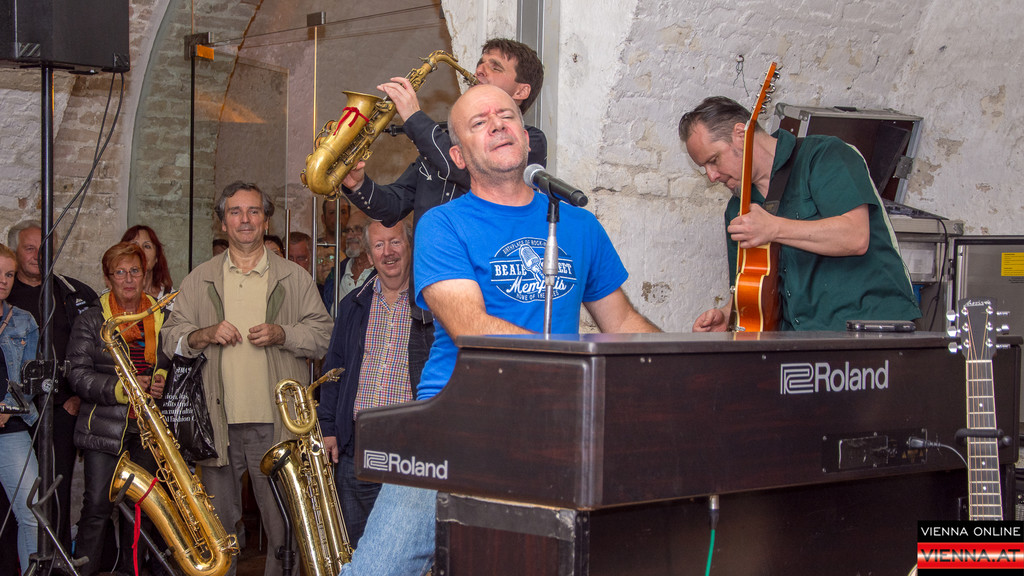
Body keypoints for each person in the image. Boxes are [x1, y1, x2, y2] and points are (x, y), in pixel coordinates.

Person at [339, 84, 659, 576]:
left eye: (506, 115)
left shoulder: (577, 224)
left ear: (526, 138)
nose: (497, 125)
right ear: (458, 156)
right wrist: (579, 370)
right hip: (452, 424)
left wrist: (679, 362)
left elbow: (622, 322)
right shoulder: (442, 224)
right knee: (379, 568)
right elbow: (472, 327)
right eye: (478, 122)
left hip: (553, 421)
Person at [339, 38, 548, 389]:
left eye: (495, 67)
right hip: (425, 323)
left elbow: (465, 169)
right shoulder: (437, 146)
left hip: (486, 324)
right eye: (481, 63)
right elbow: (391, 207)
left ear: (521, 91)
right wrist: (358, 185)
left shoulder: (529, 142)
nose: (480, 70)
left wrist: (414, 118)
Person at [160, 181, 333, 576]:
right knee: (218, 534)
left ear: (266, 221)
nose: (245, 219)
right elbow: (171, 338)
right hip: (215, 426)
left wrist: (283, 334)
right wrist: (202, 334)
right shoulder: (200, 278)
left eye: (254, 211)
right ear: (223, 223)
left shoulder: (294, 277)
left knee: (286, 531)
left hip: (276, 426)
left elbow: (323, 335)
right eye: (235, 212)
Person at [680, 96, 921, 332]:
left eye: (714, 160)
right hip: (800, 341)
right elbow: (749, 286)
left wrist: (774, 228)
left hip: (870, 330)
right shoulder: (738, 208)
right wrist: (727, 315)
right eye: (704, 168)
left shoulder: (824, 155)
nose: (712, 176)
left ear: (741, 134)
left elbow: (855, 236)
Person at [67, 242, 169, 576]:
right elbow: (77, 374)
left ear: (144, 274)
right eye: (120, 272)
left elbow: (170, 357)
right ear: (108, 278)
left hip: (148, 429)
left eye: (134, 271)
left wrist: (161, 377)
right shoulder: (90, 319)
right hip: (103, 427)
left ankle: (133, 571)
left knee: (141, 511)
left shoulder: (161, 314)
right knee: (97, 505)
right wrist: (122, 389)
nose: (128, 279)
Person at [319, 218, 413, 545]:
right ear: (370, 256)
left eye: (395, 242)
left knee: (403, 548)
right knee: (356, 546)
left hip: (409, 448)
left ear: (409, 246)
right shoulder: (353, 304)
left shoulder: (430, 303)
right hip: (357, 447)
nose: (388, 252)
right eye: (379, 245)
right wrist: (328, 428)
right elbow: (334, 369)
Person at [6, 221, 97, 552]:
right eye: (30, 248)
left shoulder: (74, 294)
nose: (38, 255)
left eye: (45, 248)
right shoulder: (5, 294)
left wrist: (78, 397)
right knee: (15, 494)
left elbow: (94, 349)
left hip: (61, 409)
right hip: (15, 416)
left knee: (57, 491)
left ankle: (55, 562)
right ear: (15, 252)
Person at [0, 243, 40, 574]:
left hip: (10, 429)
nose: (3, 281)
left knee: (32, 511)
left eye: (9, 274)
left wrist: (8, 407)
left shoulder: (24, 321)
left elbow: (31, 381)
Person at [320, 210, 374, 314]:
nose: (350, 236)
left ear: (372, 234)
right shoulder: (336, 273)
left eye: (358, 229)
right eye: (348, 230)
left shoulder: (382, 274)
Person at [121, 225, 174, 301]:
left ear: (157, 257)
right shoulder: (108, 300)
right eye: (134, 245)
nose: (141, 251)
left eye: (147, 246)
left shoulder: (173, 300)